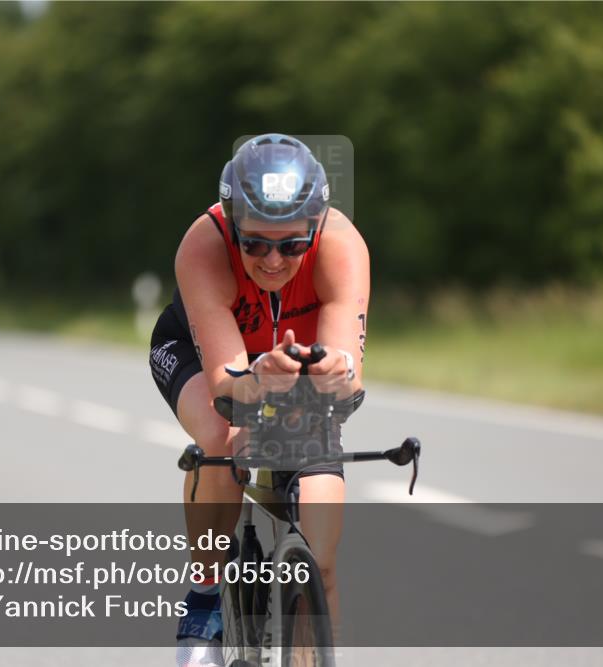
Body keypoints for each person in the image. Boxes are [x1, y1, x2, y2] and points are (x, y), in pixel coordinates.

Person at [149, 133, 369, 666]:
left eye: (292, 245)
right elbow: (228, 389)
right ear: (232, 225)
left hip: (295, 371)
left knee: (323, 555)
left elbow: (348, 380)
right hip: (204, 356)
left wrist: (333, 378)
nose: (273, 260)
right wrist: (255, 381)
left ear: (314, 228)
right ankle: (205, 597)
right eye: (255, 244)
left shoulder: (342, 245)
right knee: (221, 443)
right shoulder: (201, 246)